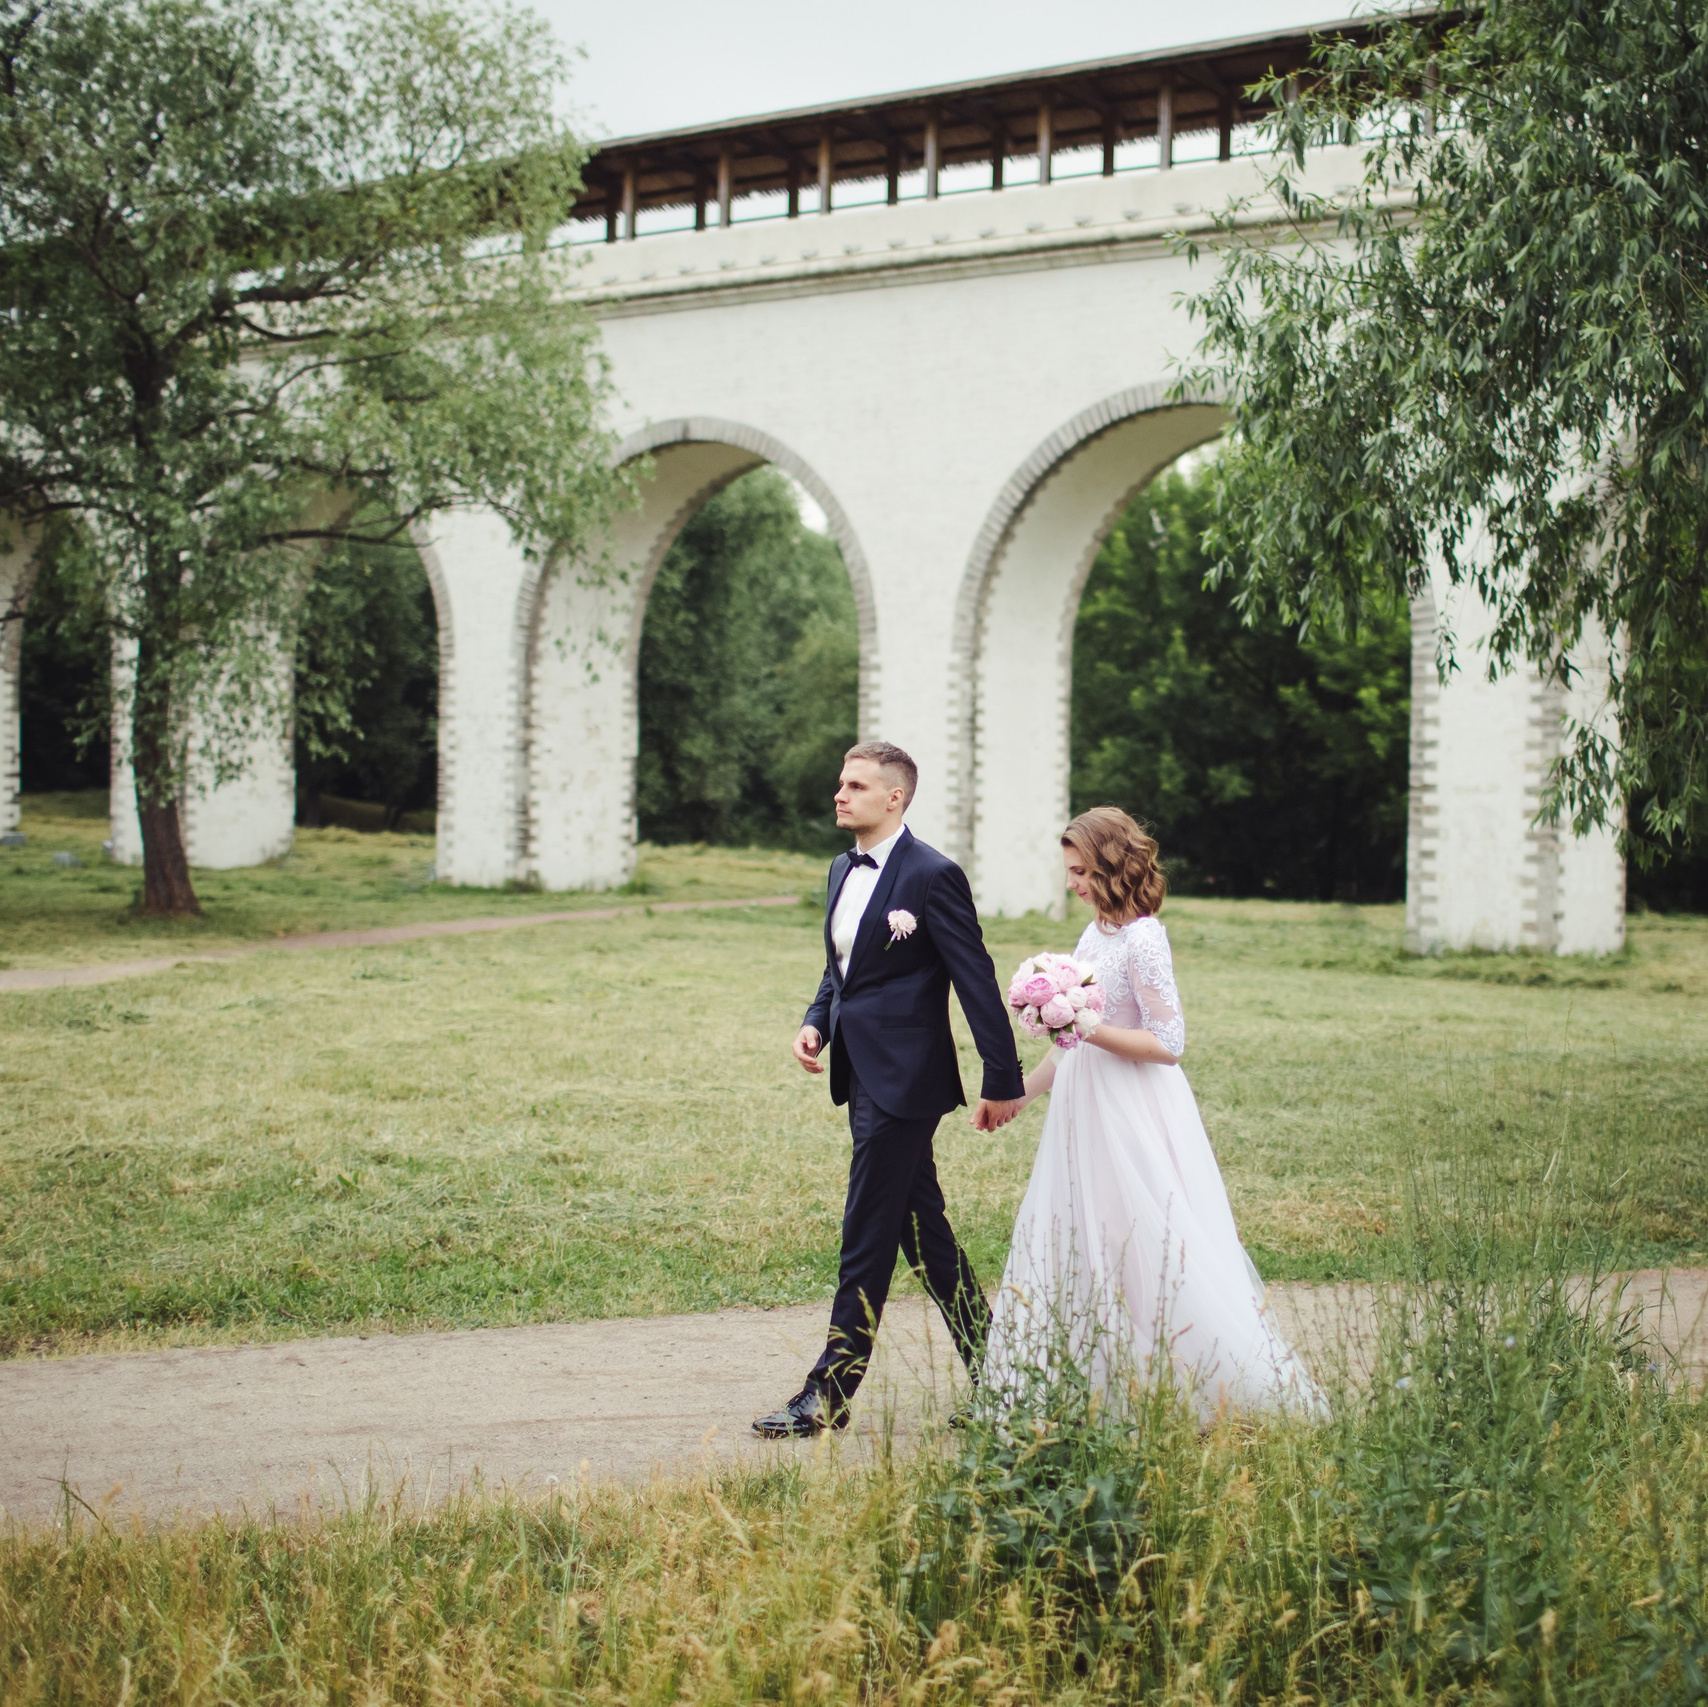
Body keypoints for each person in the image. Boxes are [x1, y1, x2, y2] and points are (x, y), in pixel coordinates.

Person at [985, 806, 1321, 1418]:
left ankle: (1188, 1383)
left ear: (1113, 865)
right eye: (1069, 871)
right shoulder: (1094, 935)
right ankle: (1098, 1385)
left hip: (1132, 1107)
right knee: (1089, 1234)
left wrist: (1085, 1024)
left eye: (1082, 870)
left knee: (1144, 1236)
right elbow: (1067, 1051)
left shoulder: (1144, 937)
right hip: (1084, 1105)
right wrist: (1020, 1095)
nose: (1073, 883)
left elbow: (1168, 1043)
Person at [753, 741, 1026, 1439]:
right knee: (922, 1232)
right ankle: (1005, 1374)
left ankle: (828, 1391)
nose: (839, 794)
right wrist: (817, 1021)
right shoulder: (842, 867)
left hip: (906, 1080)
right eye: (840, 782)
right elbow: (842, 967)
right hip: (860, 1070)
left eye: (854, 785)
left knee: (867, 1230)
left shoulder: (934, 874)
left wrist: (1003, 1078)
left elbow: (974, 977)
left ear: (893, 797)